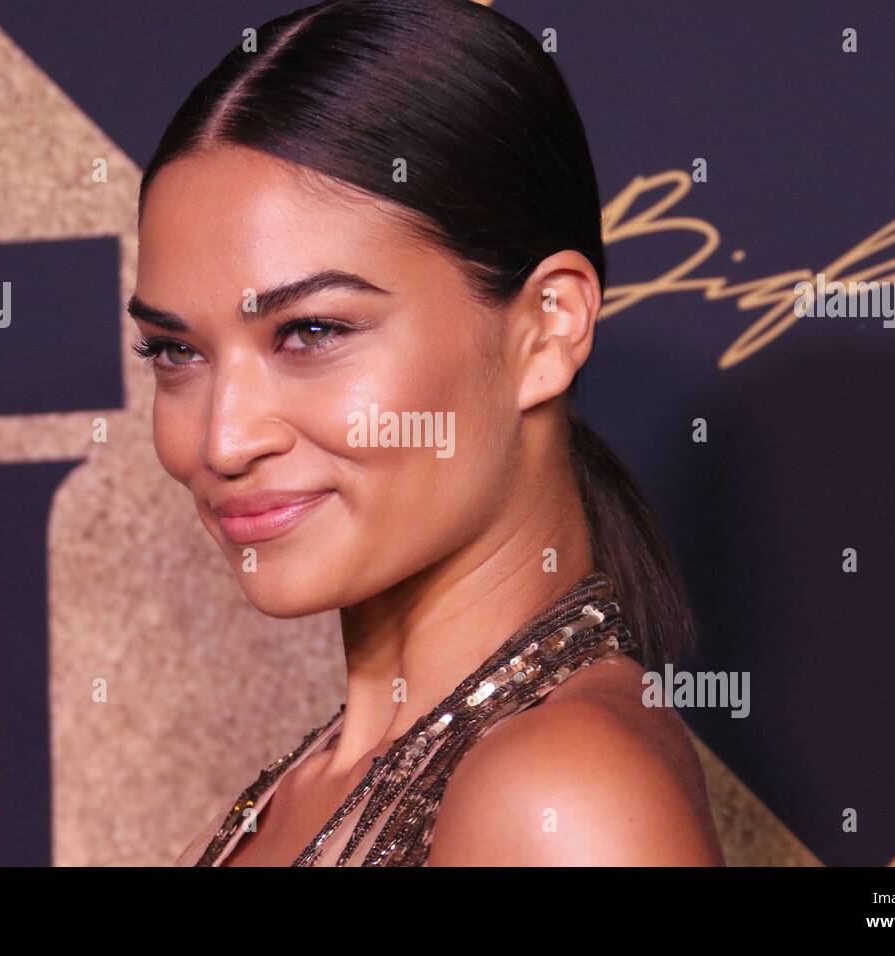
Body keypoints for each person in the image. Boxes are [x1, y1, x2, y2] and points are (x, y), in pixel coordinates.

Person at [129, 0, 723, 866]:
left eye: (312, 332)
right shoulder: (296, 795)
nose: (222, 442)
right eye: (176, 351)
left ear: (548, 328)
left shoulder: (559, 795)